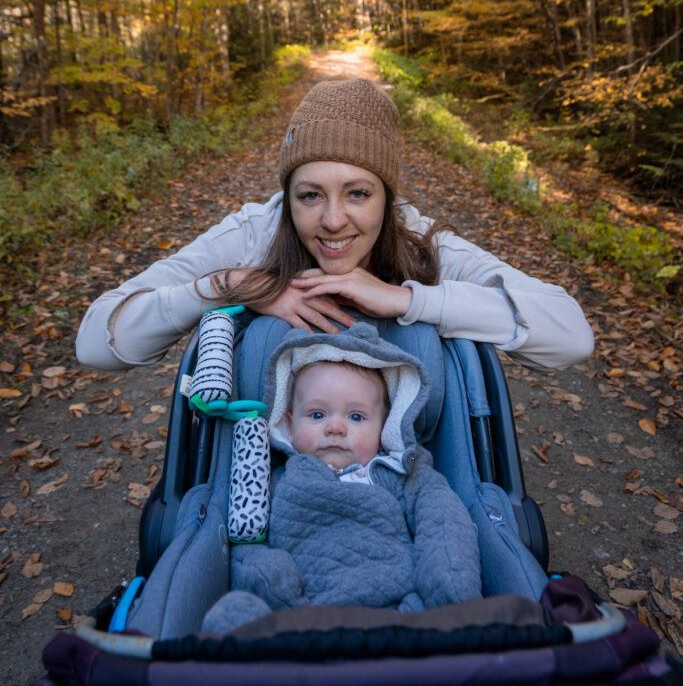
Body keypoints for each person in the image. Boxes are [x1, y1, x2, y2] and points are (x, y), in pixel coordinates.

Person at [75, 78, 594, 372]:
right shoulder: (255, 233)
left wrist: (411, 300)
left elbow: (570, 335)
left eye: (358, 193)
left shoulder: (419, 241)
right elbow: (96, 343)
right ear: (287, 196)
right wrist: (225, 285)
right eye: (309, 195)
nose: (332, 220)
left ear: (388, 199)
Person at [201, 321, 482, 633]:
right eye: (317, 415)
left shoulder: (403, 474)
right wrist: (271, 579)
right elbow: (248, 538)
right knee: (232, 616)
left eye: (356, 417)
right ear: (290, 426)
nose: (335, 427)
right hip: (303, 613)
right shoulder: (272, 481)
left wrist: (447, 587)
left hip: (399, 611)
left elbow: (443, 523)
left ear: (384, 427)